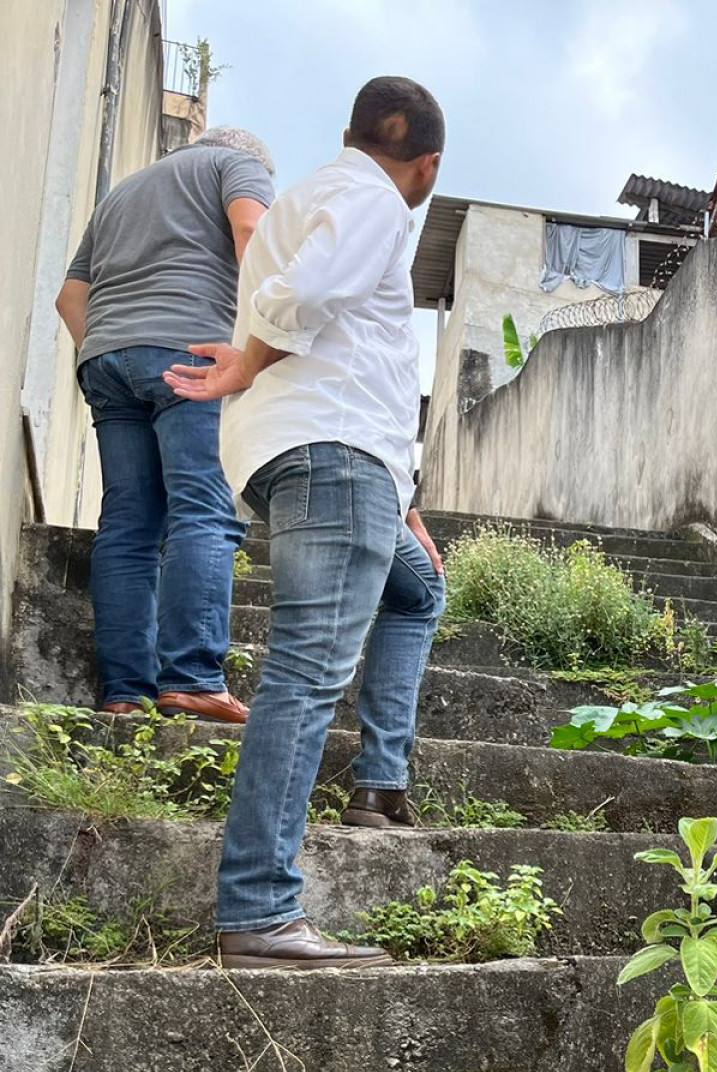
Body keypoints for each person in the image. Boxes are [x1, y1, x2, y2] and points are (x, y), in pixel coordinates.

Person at [164, 77, 449, 970]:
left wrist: (401, 493)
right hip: (333, 457)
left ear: (349, 132)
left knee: (419, 588)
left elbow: (344, 351)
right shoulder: (372, 199)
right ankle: (258, 909)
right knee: (305, 671)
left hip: (333, 455)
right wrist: (249, 357)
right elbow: (304, 302)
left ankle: (380, 783)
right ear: (427, 165)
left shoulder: (306, 197)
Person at [56, 128, 277, 724]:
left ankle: (126, 692)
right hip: (190, 353)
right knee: (203, 510)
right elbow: (253, 233)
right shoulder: (239, 166)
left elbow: (71, 296)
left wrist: (111, 348)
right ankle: (193, 679)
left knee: (128, 524)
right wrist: (260, 348)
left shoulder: (121, 194)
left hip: (105, 357)